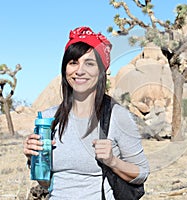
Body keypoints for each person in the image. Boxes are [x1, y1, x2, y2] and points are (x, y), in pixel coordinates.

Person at [23, 26, 149, 199]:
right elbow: (46, 183)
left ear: (101, 71)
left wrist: (113, 161)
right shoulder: (48, 118)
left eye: (89, 63)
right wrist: (33, 159)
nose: (79, 70)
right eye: (73, 62)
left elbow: (142, 173)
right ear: (65, 68)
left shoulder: (117, 116)